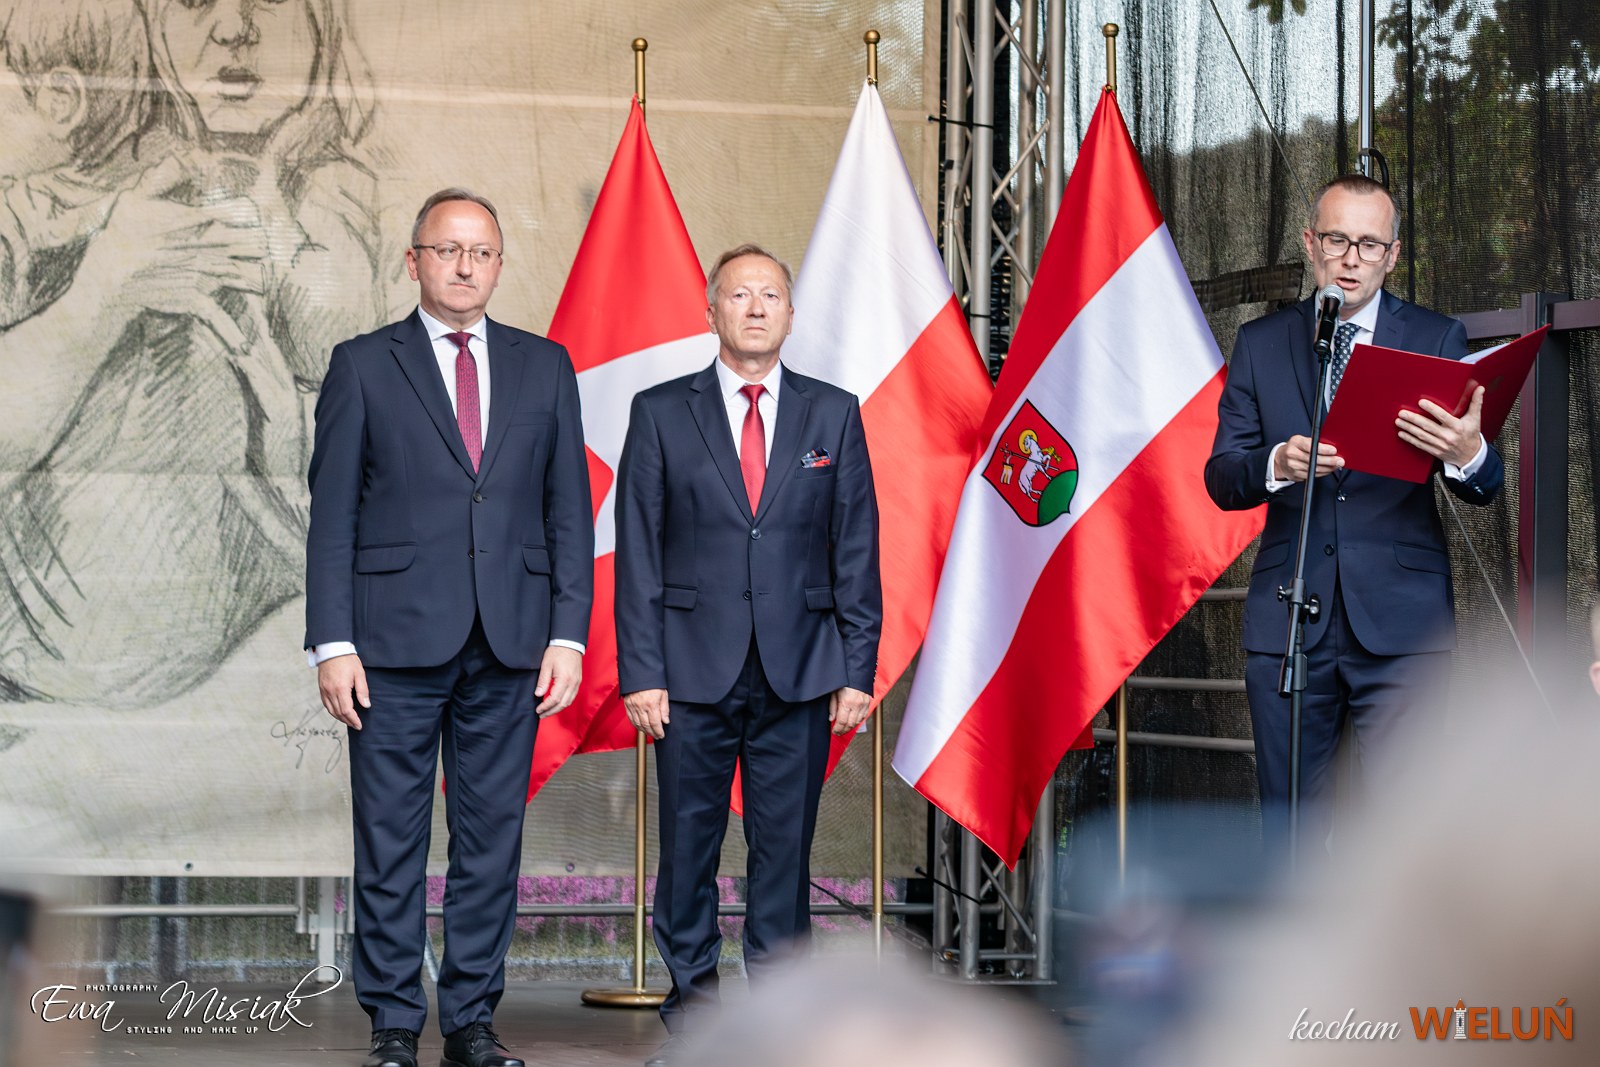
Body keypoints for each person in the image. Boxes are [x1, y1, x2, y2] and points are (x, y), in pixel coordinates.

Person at [305, 188, 593, 1067]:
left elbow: (568, 512)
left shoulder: (546, 366)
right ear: (414, 261)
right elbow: (333, 515)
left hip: (511, 643)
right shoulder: (362, 364)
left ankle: (471, 1020)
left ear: (499, 264)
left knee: (490, 843)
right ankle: (394, 1021)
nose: (465, 266)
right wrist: (333, 642)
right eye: (447, 249)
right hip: (389, 646)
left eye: (482, 252)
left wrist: (569, 634)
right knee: (389, 841)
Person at [614, 244, 881, 1065]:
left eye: (770, 294)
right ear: (712, 310)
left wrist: (857, 666)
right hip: (688, 673)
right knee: (687, 854)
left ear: (791, 313)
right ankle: (696, 1023)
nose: (756, 307)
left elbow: (857, 548)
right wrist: (641, 670)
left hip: (801, 670)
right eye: (739, 294)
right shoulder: (662, 411)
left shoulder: (833, 412)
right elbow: (638, 551)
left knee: (783, 857)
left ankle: (775, 1028)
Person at [1203, 174, 1504, 852]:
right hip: (1289, 620)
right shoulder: (1262, 341)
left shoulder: (1435, 336)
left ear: (1392, 255)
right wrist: (1277, 462)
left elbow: (1487, 485)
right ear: (1311, 243)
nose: (1351, 258)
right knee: (1291, 836)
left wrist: (1468, 452)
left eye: (1369, 244)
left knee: (1405, 837)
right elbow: (1222, 477)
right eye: (1337, 240)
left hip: (1401, 624)